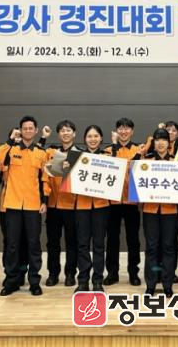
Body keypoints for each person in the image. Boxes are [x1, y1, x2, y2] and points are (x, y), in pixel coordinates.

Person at [0, 115, 50, 297]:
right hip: (12, 204)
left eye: (31, 128)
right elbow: (0, 163)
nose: (28, 131)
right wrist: (10, 140)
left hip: (33, 205)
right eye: (25, 128)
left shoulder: (41, 153)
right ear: (20, 130)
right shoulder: (10, 149)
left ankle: (34, 281)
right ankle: (11, 281)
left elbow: (45, 179)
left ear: (36, 131)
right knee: (12, 245)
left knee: (34, 244)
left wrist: (44, 201)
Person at [104, 117, 144, 286]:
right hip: (112, 202)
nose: (124, 131)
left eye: (127, 128)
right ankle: (112, 273)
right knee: (112, 239)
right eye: (120, 128)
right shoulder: (108, 150)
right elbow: (112, 167)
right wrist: (114, 145)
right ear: (116, 131)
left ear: (132, 131)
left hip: (131, 202)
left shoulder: (139, 149)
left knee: (133, 239)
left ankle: (133, 273)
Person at [142, 129, 178, 297]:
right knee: (151, 247)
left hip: (170, 210)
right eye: (157, 140)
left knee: (168, 247)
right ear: (154, 143)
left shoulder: (176, 162)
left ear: (169, 142)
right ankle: (150, 284)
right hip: (150, 209)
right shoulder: (146, 161)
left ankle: (167, 284)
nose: (160, 143)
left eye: (164, 139)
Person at [73, 125, 111, 293]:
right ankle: (83, 281)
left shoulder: (108, 158)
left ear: (101, 138)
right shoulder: (77, 157)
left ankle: (97, 280)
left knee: (99, 245)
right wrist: (67, 168)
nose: (93, 139)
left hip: (101, 206)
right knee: (82, 244)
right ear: (85, 139)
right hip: (82, 205)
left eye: (96, 136)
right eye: (89, 136)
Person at [45, 120, 80, 287]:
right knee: (52, 242)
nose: (65, 133)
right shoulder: (51, 153)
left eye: (68, 130)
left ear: (74, 133)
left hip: (72, 205)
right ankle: (53, 274)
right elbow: (44, 176)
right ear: (58, 134)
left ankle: (70, 273)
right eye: (62, 131)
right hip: (53, 205)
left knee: (72, 242)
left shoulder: (81, 155)